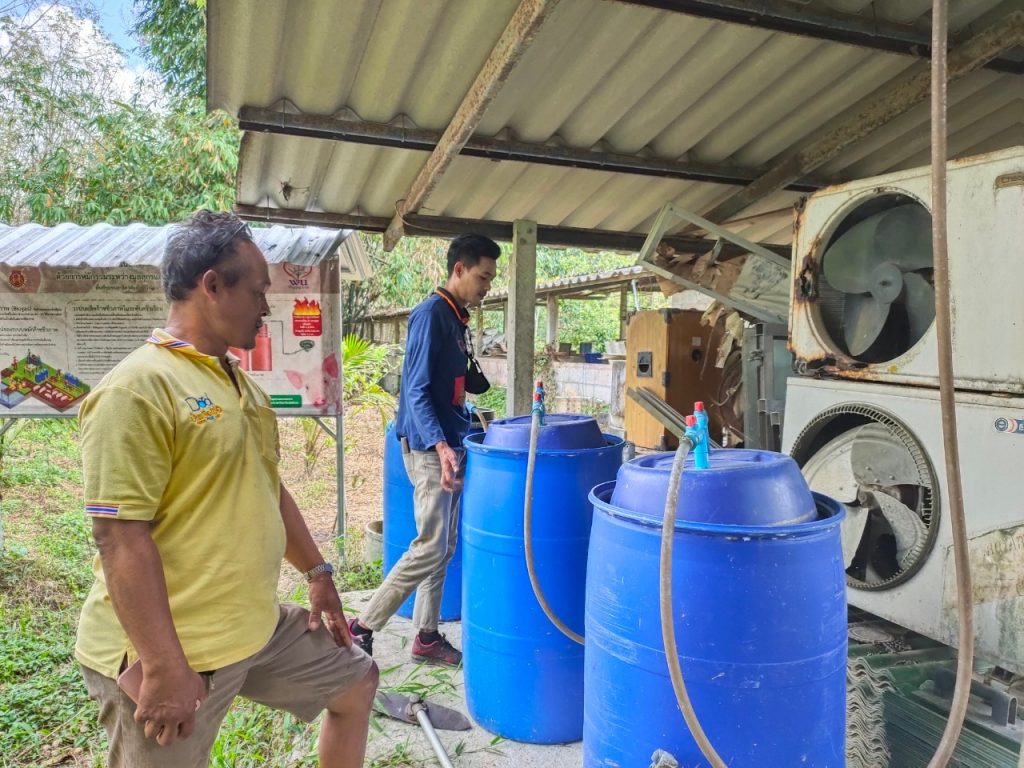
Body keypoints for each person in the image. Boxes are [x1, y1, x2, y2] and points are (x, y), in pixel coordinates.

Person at [74, 211, 378, 768]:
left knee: (356, 681)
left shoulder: (240, 385)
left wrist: (318, 574)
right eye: (258, 291)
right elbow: (119, 537)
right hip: (176, 646)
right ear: (211, 285)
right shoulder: (138, 389)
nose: (266, 307)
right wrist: (164, 667)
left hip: (251, 625)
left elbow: (269, 489)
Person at [348, 234, 500, 665]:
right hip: (432, 448)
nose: (487, 285)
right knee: (430, 546)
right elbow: (413, 391)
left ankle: (427, 636)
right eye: (482, 276)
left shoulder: (456, 319)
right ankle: (362, 627)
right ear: (459, 270)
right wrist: (441, 446)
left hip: (450, 441)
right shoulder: (431, 315)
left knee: (443, 546)